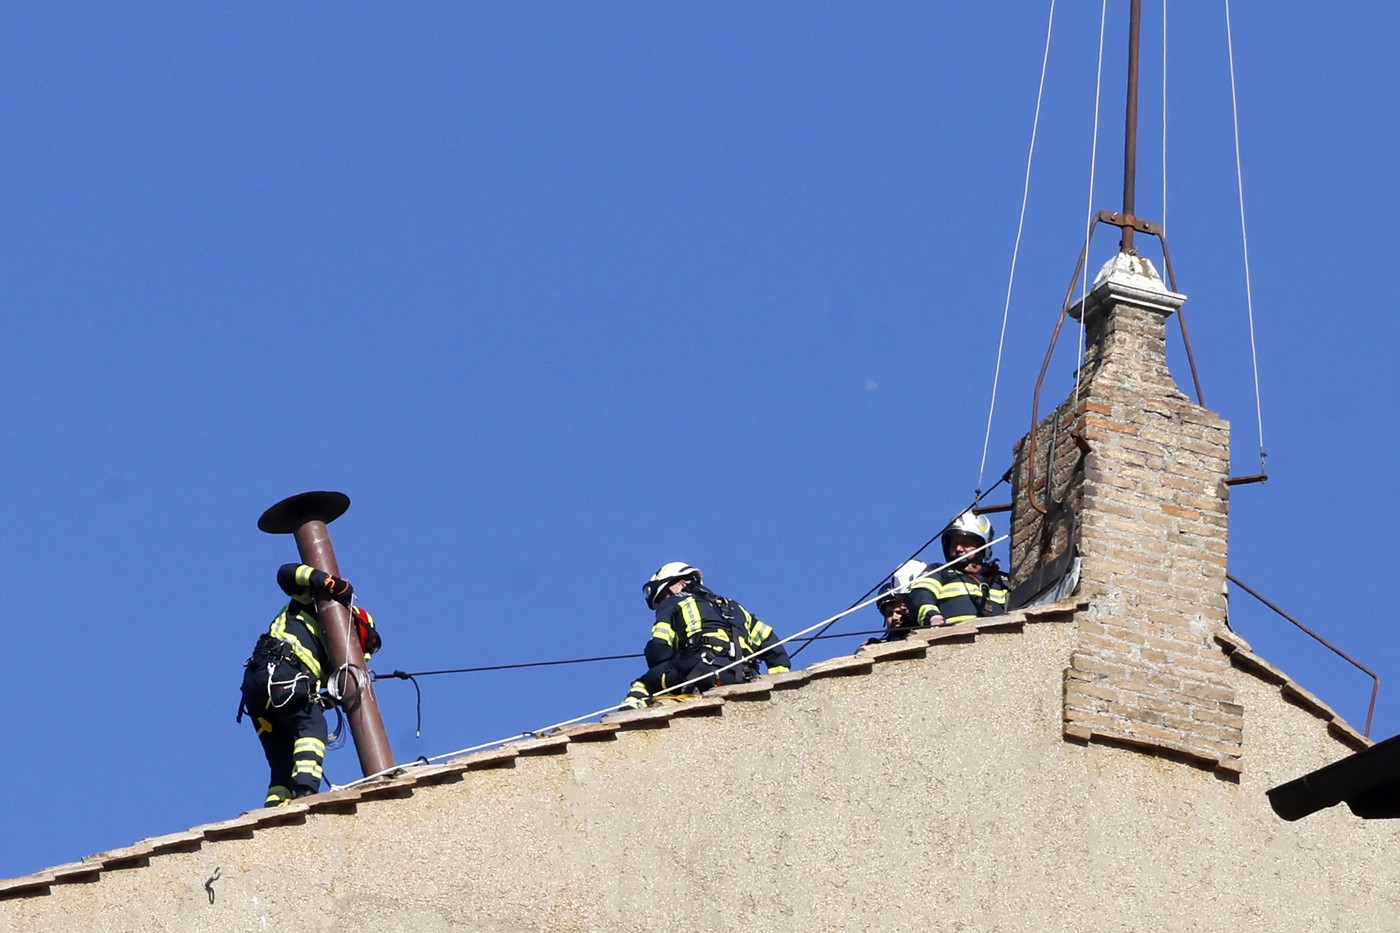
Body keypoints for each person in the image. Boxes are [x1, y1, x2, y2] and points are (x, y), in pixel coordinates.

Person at [238, 563, 381, 806]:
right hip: (280, 671)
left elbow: (310, 693)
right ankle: (305, 792)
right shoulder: (315, 604)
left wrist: (330, 698)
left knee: (282, 761)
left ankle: (274, 809)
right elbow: (286, 573)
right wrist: (325, 581)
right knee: (312, 725)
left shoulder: (327, 659)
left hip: (259, 688)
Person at [621, 561, 791, 709]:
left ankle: (628, 719)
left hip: (703, 672)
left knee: (644, 684)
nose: (662, 603)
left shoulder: (673, 602)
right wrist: (776, 688)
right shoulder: (734, 607)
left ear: (681, 583)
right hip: (745, 677)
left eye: (663, 595)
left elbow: (658, 651)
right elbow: (775, 650)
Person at [905, 511, 1010, 627]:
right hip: (954, 636)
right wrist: (933, 616)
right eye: (954, 544)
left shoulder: (1002, 580)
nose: (958, 548)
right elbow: (920, 594)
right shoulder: (939, 571)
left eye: (966, 543)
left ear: (982, 546)